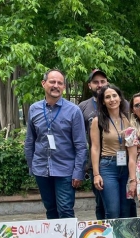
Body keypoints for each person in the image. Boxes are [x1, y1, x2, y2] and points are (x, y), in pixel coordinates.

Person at [25, 69, 87, 219]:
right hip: (41, 169)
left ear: (64, 87)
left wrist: (78, 171)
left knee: (65, 209)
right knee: (50, 209)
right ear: (44, 84)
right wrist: (32, 166)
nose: (56, 85)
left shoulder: (74, 111)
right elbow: (30, 141)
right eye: (52, 82)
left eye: (60, 83)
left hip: (65, 170)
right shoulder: (34, 109)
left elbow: (81, 145)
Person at [90, 84, 136, 219]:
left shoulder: (128, 119)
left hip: (127, 167)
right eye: (107, 97)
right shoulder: (97, 121)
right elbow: (95, 148)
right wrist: (96, 174)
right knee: (113, 210)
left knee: (126, 210)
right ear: (103, 101)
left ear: (120, 98)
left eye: (114, 96)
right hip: (107, 167)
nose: (112, 99)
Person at [78, 69, 108, 220]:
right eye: (96, 82)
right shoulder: (82, 107)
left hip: (119, 162)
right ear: (89, 85)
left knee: (123, 202)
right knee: (101, 202)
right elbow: (78, 137)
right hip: (95, 163)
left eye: (103, 81)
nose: (100, 85)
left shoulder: (120, 104)